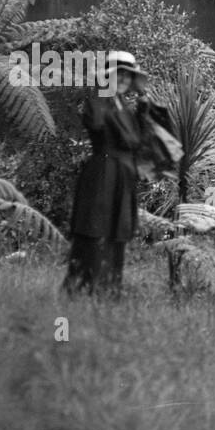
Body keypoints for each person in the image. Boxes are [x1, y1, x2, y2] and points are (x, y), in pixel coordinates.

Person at [63, 51, 147, 297]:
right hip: (102, 174)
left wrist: (143, 109)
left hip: (123, 177)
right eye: (118, 74)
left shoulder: (128, 108)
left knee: (117, 232)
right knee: (95, 229)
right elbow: (97, 124)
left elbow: (139, 142)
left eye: (127, 76)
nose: (122, 80)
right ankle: (84, 288)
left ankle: (110, 290)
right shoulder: (98, 100)